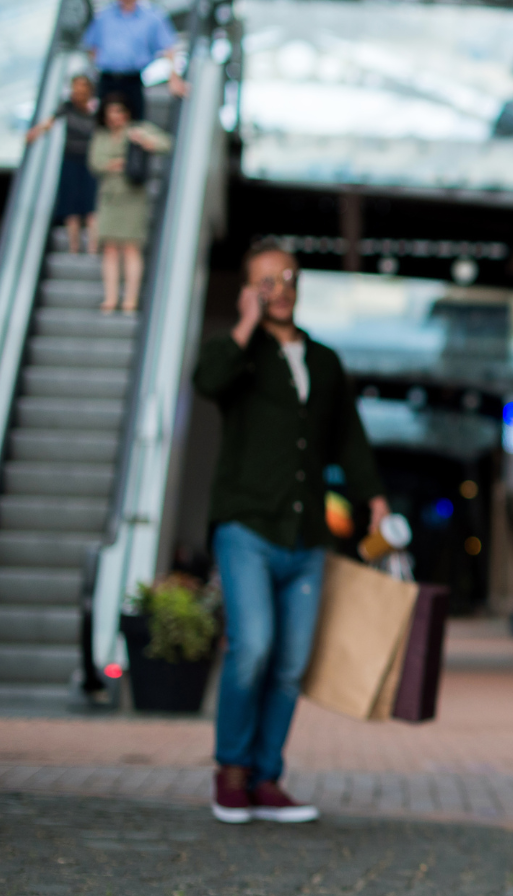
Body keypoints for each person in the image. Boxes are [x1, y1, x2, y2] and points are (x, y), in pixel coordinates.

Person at [194, 243, 389, 826]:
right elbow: (206, 380)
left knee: (290, 662)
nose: (280, 287)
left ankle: (267, 777)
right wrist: (247, 323)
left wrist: (372, 497)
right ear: (249, 290)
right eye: (266, 281)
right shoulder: (238, 353)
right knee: (252, 647)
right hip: (247, 526)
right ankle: (231, 771)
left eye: (288, 278)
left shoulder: (325, 361)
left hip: (306, 536)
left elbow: (347, 436)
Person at [86, 97, 169, 313]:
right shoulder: (102, 135)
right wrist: (112, 165)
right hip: (110, 197)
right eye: (111, 112)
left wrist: (144, 141)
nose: (115, 117)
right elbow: (94, 162)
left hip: (133, 196)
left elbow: (166, 143)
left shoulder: (138, 130)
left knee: (131, 247)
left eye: (119, 111)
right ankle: (111, 297)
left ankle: (130, 298)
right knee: (111, 248)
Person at [26, 75, 102, 254]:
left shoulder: (96, 108)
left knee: (91, 203)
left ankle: (93, 245)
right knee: (71, 203)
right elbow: (50, 121)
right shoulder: (67, 106)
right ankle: (74, 246)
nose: (78, 91)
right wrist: (36, 132)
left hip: (91, 160)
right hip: (70, 159)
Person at [80, 0, 188, 121]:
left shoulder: (151, 17)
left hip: (132, 80)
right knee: (100, 123)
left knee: (135, 124)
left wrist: (174, 78)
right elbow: (91, 47)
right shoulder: (104, 16)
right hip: (107, 79)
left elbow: (168, 48)